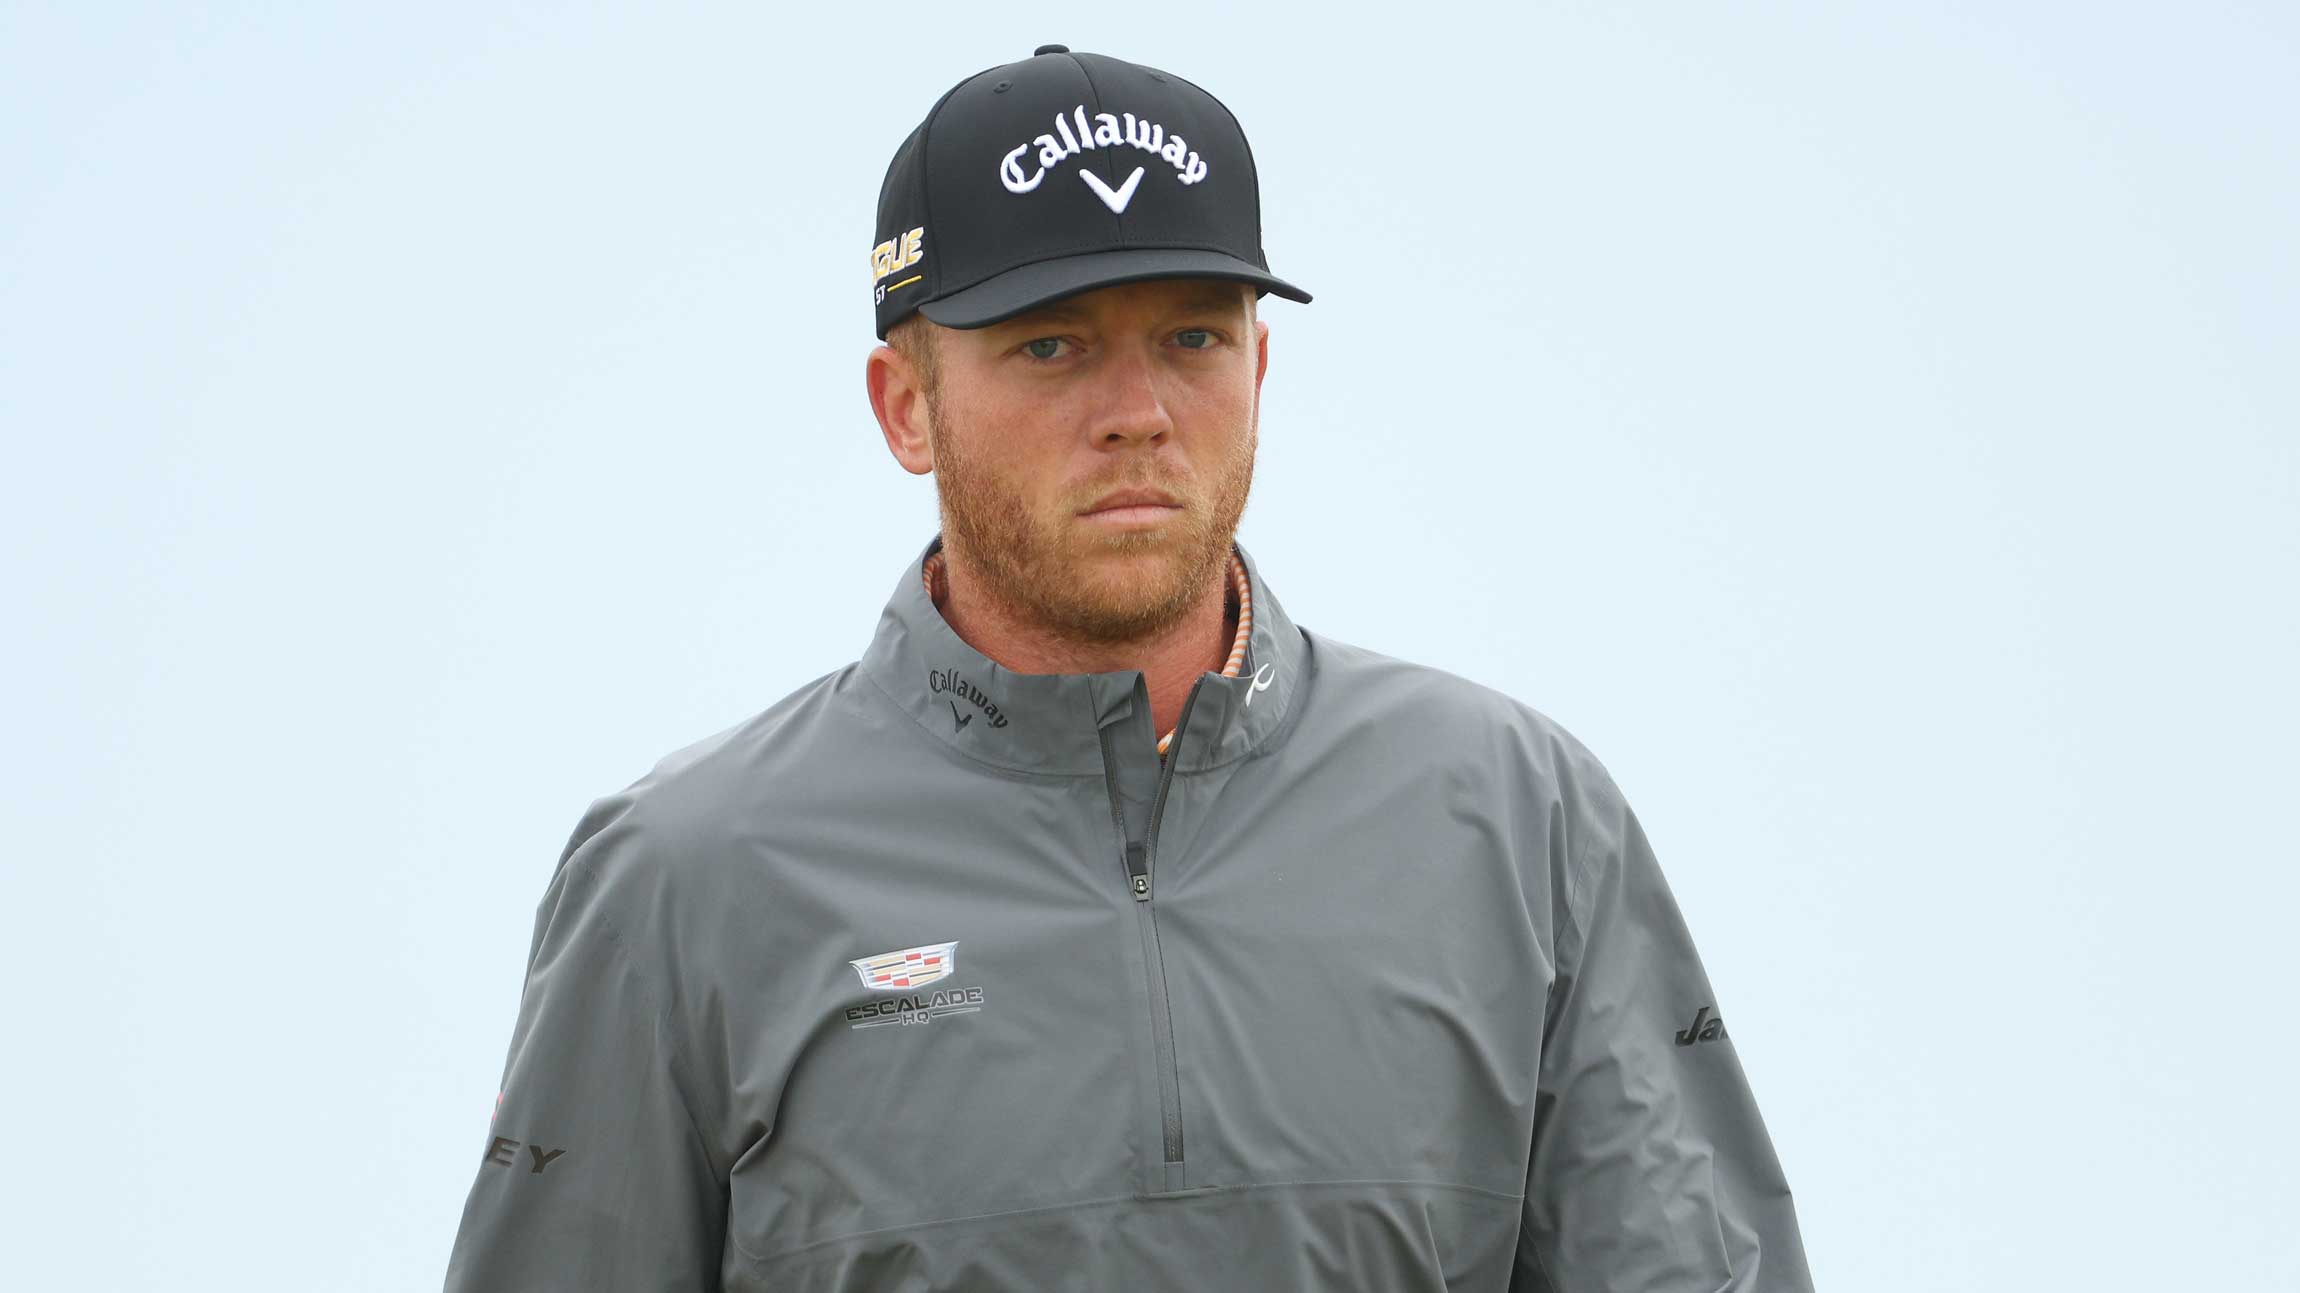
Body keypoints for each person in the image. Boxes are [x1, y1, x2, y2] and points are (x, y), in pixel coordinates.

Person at [444, 44, 1814, 1292]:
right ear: (906, 405)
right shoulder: (682, 880)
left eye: (1192, 337)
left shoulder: (1521, 817)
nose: (1139, 413)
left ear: (1260, 370)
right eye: (1051, 343)